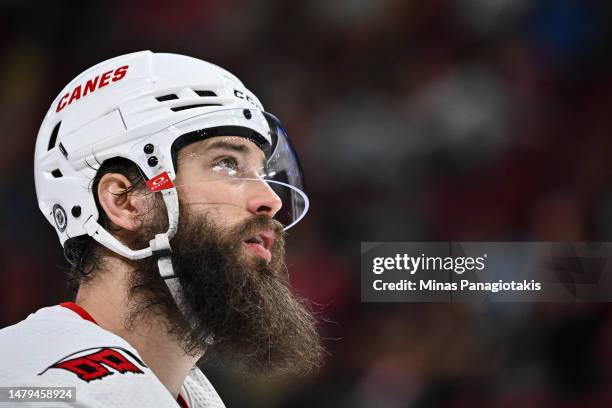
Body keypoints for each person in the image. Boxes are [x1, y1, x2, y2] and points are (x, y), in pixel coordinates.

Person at [0, 51, 322, 407]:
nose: (271, 200)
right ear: (124, 201)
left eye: (261, 172)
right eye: (226, 164)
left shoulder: (191, 394)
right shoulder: (34, 385)